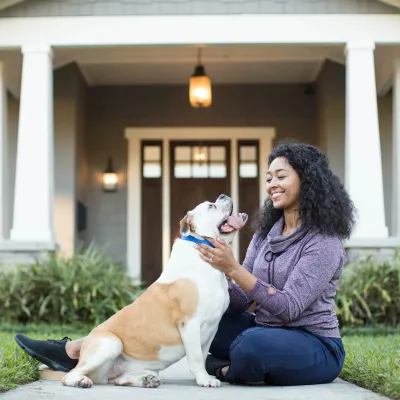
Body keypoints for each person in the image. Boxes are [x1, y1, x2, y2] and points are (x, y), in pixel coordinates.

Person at [15, 141, 356, 386]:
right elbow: (236, 301)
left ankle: (226, 367)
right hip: (264, 328)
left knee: (250, 348)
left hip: (312, 341)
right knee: (199, 321)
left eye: (280, 176)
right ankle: (76, 347)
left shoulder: (323, 242)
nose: (271, 184)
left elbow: (290, 308)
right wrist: (209, 275)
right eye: (268, 178)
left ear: (307, 181)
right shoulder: (266, 233)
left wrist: (232, 268)